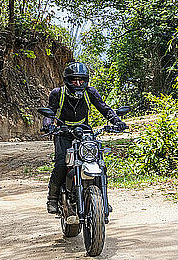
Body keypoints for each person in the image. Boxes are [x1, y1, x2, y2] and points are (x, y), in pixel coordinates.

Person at [42, 62, 127, 214]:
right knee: (61, 164)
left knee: (99, 163)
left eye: (81, 80)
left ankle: (103, 200)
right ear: (68, 80)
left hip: (85, 132)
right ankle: (53, 198)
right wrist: (48, 125)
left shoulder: (90, 92)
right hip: (63, 132)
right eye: (74, 80)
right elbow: (50, 112)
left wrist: (117, 122)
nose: (78, 83)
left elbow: (105, 109)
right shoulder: (58, 93)